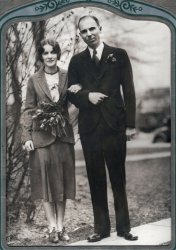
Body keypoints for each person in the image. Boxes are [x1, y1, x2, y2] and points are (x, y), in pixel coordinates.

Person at [67, 15, 138, 242]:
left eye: (92, 29)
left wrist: (130, 125)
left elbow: (129, 90)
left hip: (115, 127)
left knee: (118, 178)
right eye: (84, 31)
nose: (89, 34)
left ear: (100, 28)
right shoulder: (76, 62)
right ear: (80, 35)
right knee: (95, 179)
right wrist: (88, 95)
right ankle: (101, 229)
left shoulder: (118, 55)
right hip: (90, 130)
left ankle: (124, 228)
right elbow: (72, 94)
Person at [22, 38, 79, 243]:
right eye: (45, 53)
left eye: (52, 52)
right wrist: (27, 136)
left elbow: (76, 102)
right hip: (42, 138)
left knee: (61, 183)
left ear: (58, 54)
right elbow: (28, 109)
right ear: (41, 56)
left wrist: (69, 115)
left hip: (63, 137)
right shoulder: (33, 80)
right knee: (46, 184)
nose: (49, 56)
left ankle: (62, 227)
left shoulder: (68, 76)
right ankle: (51, 227)